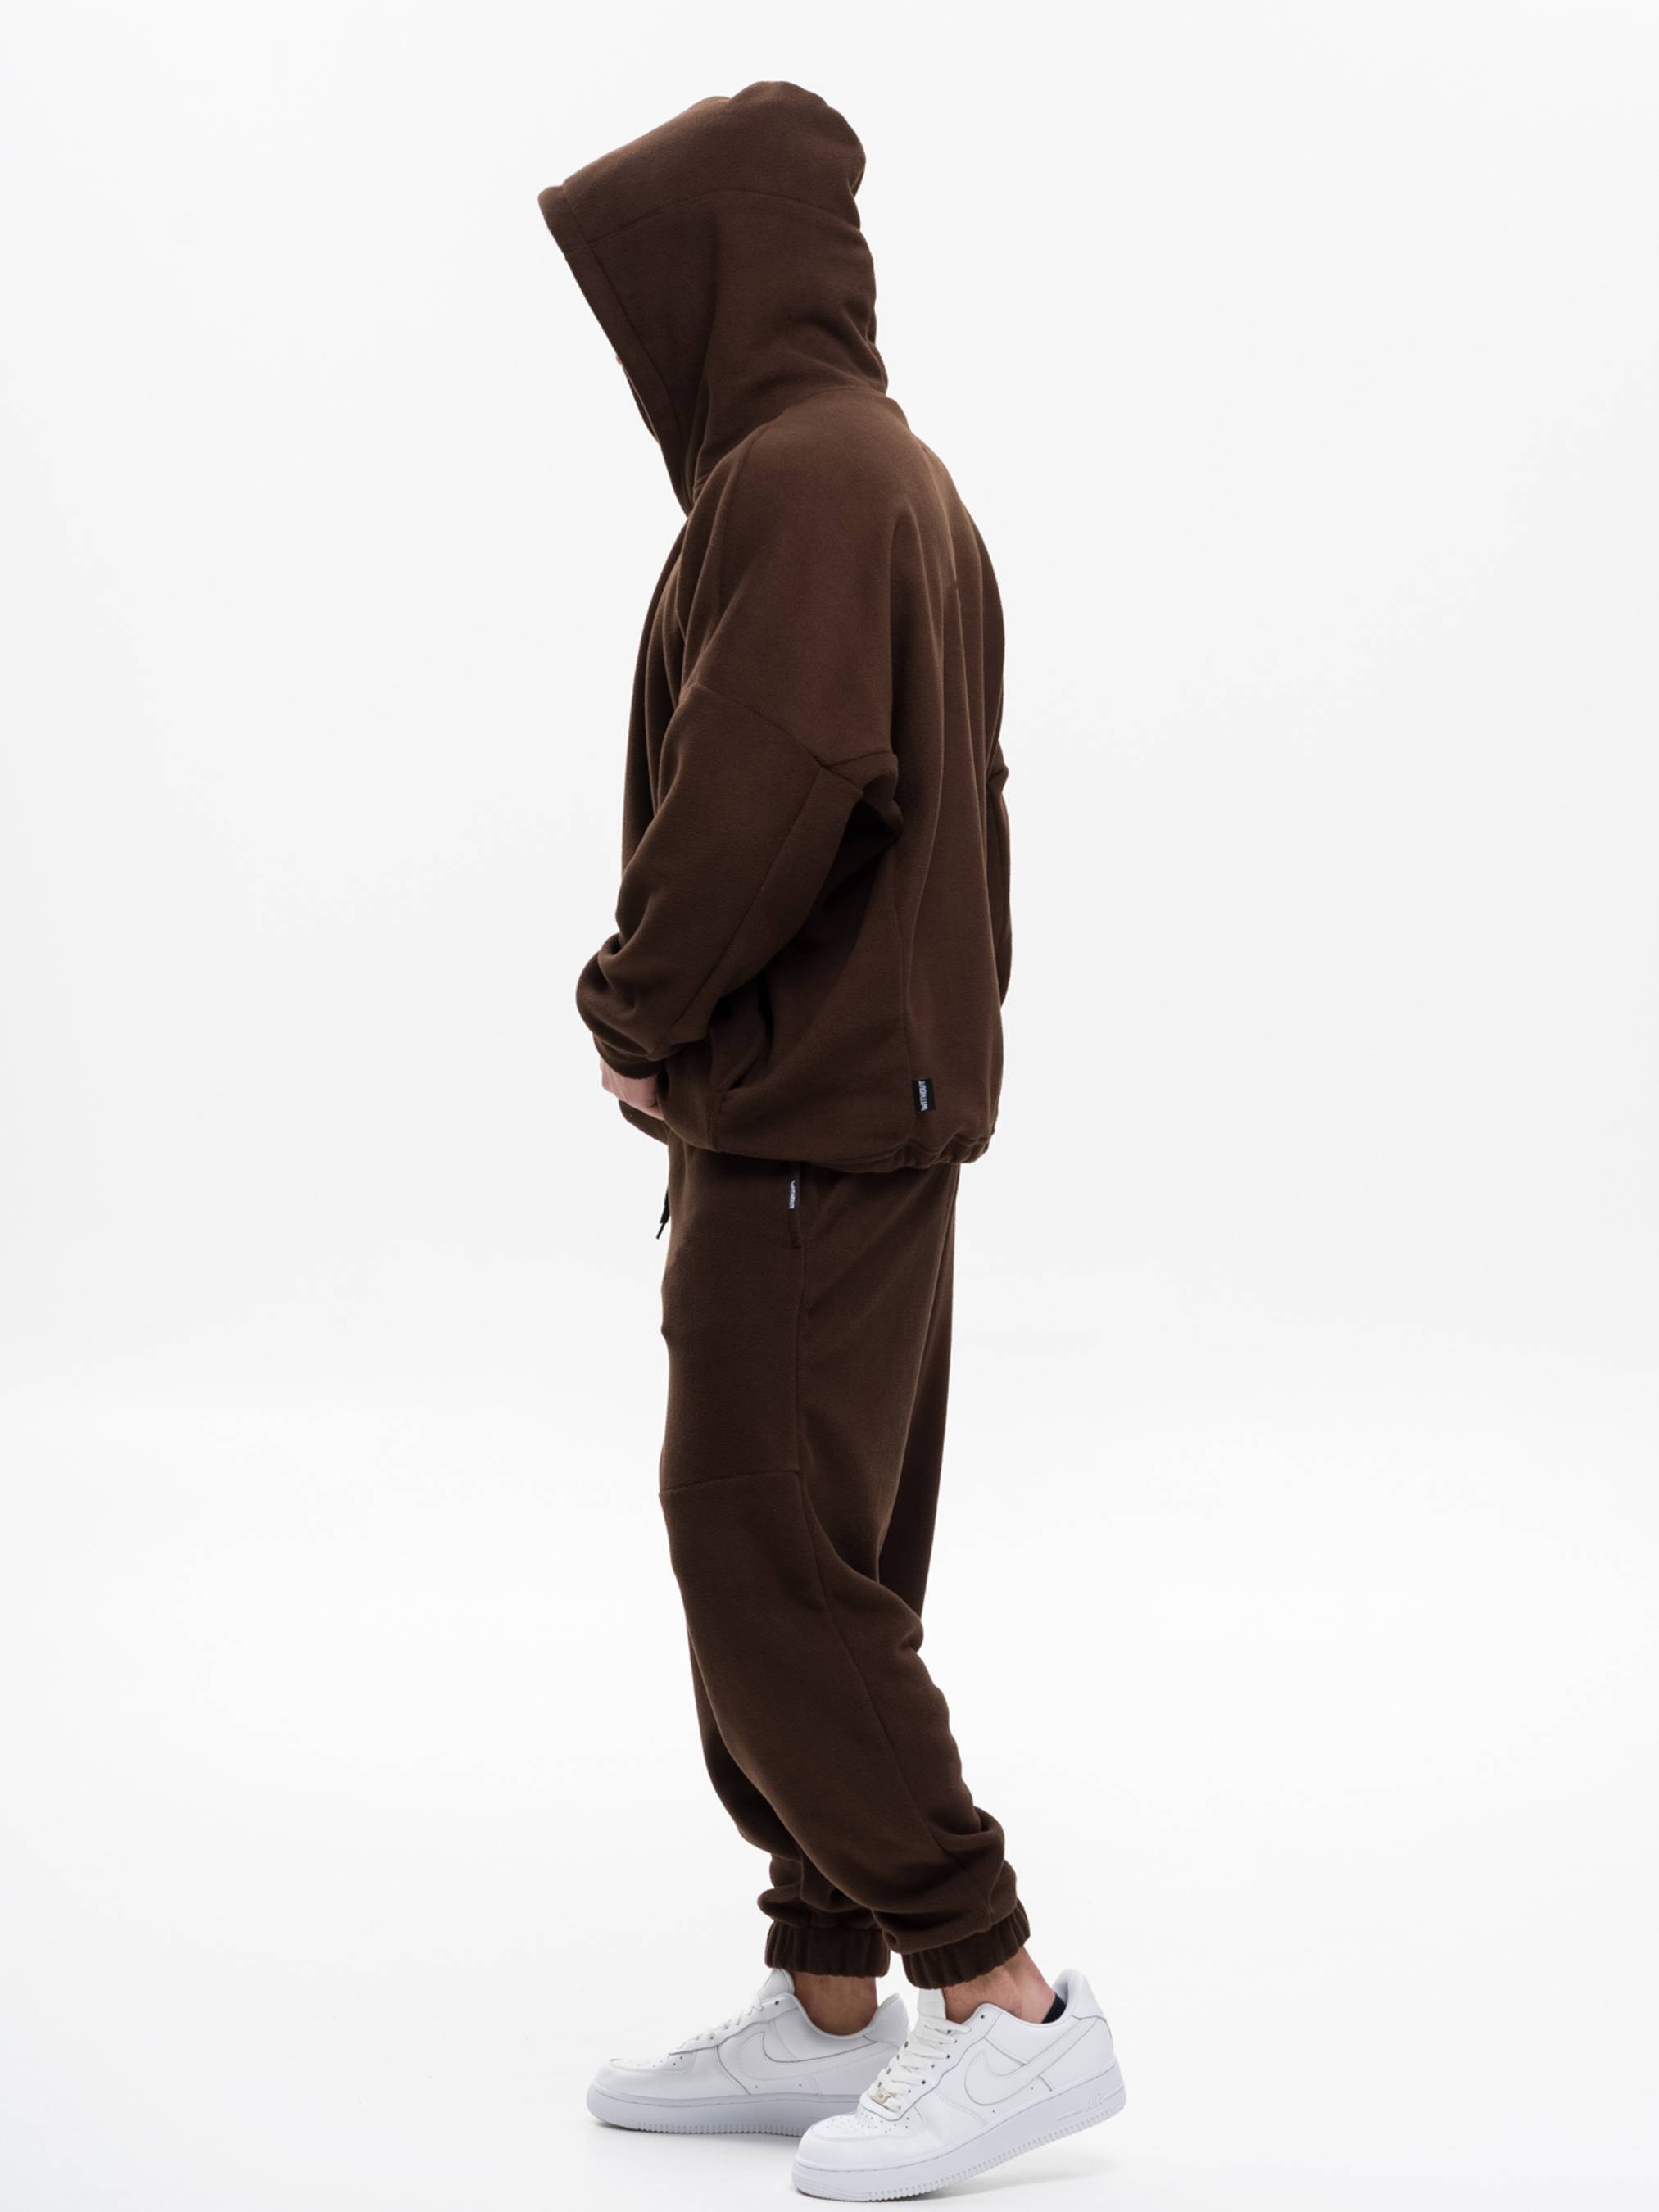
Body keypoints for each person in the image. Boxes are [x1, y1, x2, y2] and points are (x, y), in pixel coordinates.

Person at [537, 80, 1124, 2201]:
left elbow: (772, 784)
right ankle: (826, 1989)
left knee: (761, 1550)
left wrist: (637, 1007)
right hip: (866, 1109)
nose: (640, 345)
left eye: (648, 293)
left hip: (799, 1119)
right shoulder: (891, 471)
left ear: (719, 274)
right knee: (823, 1550)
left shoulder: (798, 478)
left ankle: (999, 1993)